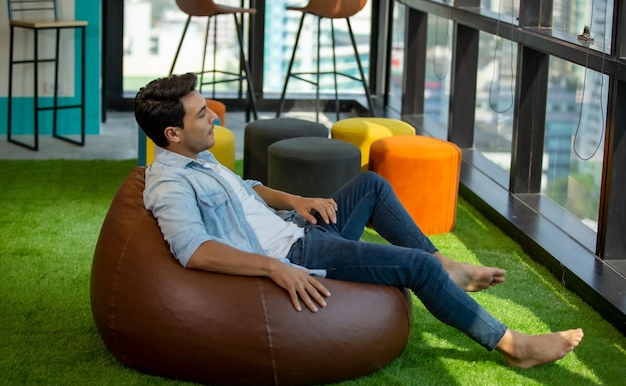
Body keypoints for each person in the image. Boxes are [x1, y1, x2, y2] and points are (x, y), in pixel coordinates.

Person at [134, 73, 583, 369]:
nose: (213, 116)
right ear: (172, 133)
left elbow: (247, 190)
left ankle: (446, 264)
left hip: (300, 229)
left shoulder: (201, 157)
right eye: (201, 114)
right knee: (417, 268)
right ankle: (513, 345)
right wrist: (276, 267)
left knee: (371, 185)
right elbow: (194, 249)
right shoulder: (169, 185)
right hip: (295, 254)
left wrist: (295, 198)